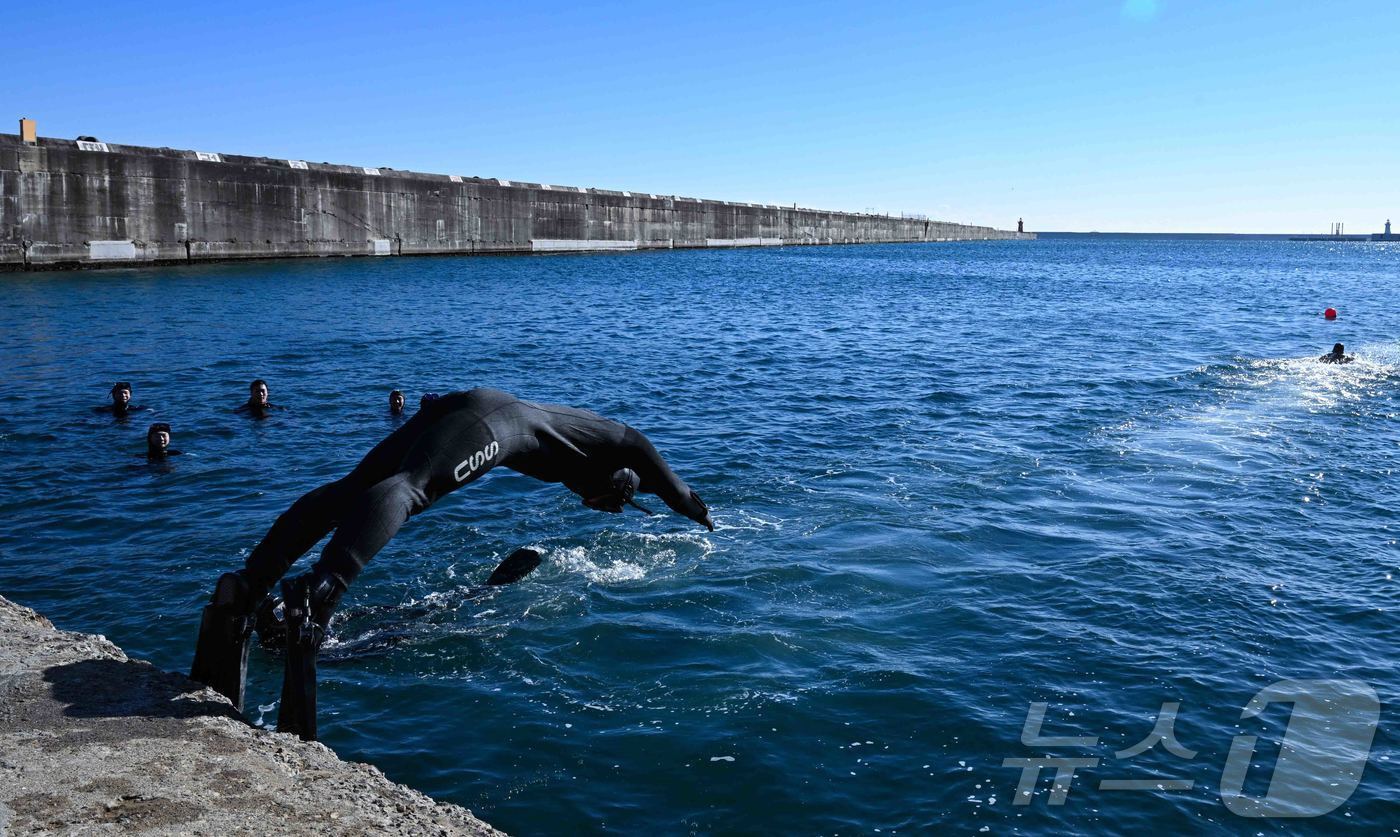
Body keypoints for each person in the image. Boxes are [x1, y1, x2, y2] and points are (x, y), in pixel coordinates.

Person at [191, 387, 714, 739]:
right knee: (412, 490)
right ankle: (322, 591)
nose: (596, 506)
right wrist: (699, 513)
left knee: (353, 490)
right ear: (617, 486)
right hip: (493, 422)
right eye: (607, 503)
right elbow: (670, 482)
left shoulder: (586, 459)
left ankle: (248, 584)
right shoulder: (624, 449)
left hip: (459, 409)